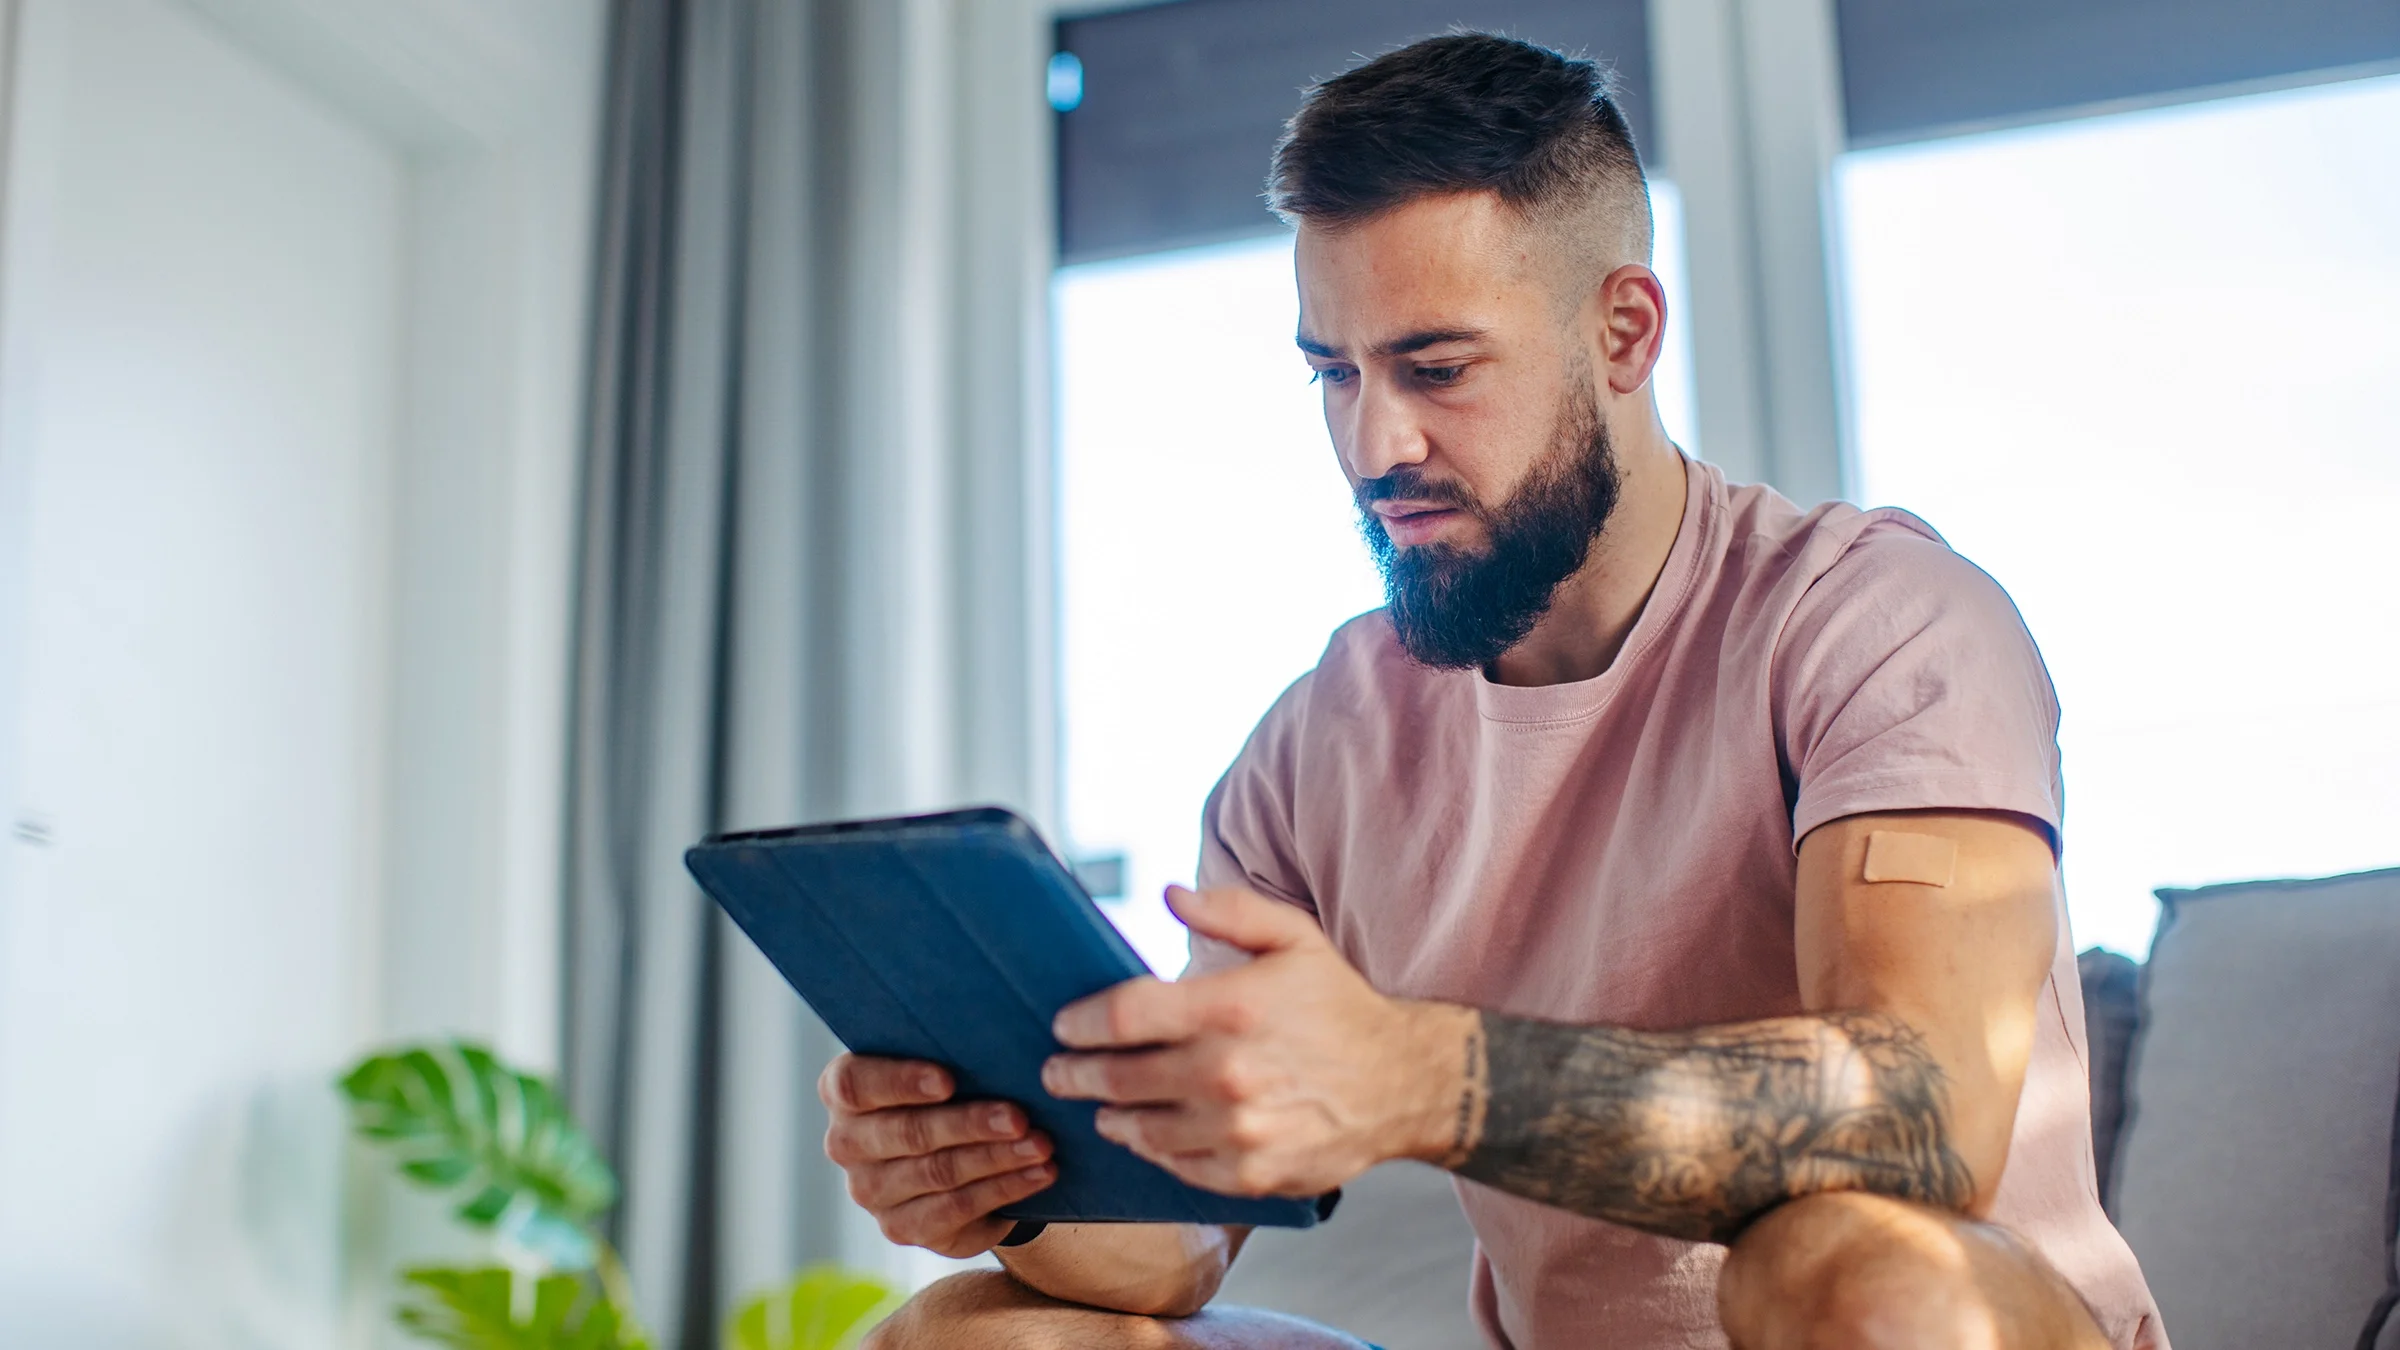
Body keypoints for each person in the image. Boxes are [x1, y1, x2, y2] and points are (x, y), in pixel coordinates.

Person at [826, 32, 2166, 1350]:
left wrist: (1425, 1073)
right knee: (971, 1334)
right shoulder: (1316, 749)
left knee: (1849, 1268)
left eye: (1436, 369)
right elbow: (1178, 1233)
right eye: (1332, 373)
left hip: (1934, 1322)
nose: (1373, 443)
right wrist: (1001, 1171)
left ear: (1624, 330)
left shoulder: (1880, 621)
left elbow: (1921, 1119)